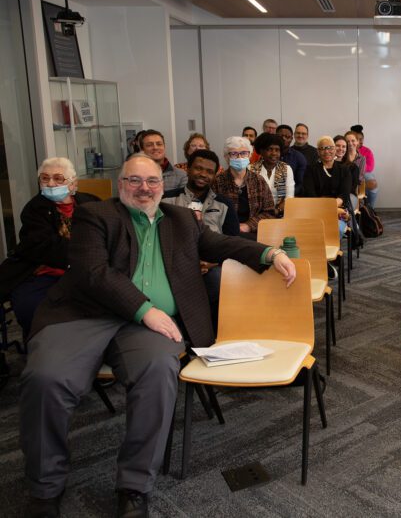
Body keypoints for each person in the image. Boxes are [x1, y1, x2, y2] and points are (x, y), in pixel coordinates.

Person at [20, 154, 296, 518]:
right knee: (46, 379)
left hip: (145, 327)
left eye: (151, 181)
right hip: (84, 315)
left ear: (163, 185)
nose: (144, 188)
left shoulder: (182, 219)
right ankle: (45, 488)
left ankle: (134, 486)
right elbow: (94, 273)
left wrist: (269, 252)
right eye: (133, 181)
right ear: (121, 186)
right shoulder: (97, 216)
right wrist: (144, 309)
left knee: (157, 374)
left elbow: (221, 244)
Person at [0, 158, 99, 339]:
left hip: (87, 270)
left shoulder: (91, 203)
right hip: (45, 271)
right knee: (31, 306)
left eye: (58, 178)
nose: (51, 183)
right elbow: (46, 247)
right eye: (45, 178)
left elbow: (103, 236)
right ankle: (41, 347)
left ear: (72, 183)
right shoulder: (35, 208)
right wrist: (85, 252)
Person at [161, 149, 239, 333]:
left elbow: (233, 244)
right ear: (188, 169)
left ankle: (204, 333)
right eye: (198, 168)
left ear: (215, 174)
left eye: (209, 171)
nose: (203, 174)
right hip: (173, 266)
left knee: (218, 278)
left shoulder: (224, 204)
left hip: (211, 266)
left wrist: (213, 263)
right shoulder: (167, 199)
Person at [212, 136, 275, 238]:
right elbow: (211, 212)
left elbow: (270, 212)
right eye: (234, 154)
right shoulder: (217, 181)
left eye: (243, 153)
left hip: (254, 234)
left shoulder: (259, 181)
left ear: (249, 155)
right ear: (226, 157)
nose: (239, 157)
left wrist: (248, 226)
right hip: (225, 235)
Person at [302, 136, 351, 237]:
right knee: (309, 230)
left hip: (339, 211)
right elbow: (311, 196)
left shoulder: (345, 170)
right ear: (318, 152)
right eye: (322, 148)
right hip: (316, 211)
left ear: (334, 149)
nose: (327, 151)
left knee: (336, 229)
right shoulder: (310, 170)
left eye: (330, 147)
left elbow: (344, 194)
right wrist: (332, 209)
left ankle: (333, 251)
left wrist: (333, 208)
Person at [250, 132, 294, 216]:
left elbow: (289, 198)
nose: (274, 153)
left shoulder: (286, 169)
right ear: (261, 151)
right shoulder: (251, 169)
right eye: (270, 149)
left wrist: (277, 211)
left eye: (277, 150)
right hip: (255, 215)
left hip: (280, 214)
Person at [140, 129, 187, 194]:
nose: (155, 147)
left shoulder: (181, 176)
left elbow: (182, 202)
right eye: (149, 145)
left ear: (164, 147)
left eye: (159, 144)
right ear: (142, 150)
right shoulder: (134, 175)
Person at [276, 124, 308, 195]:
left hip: (292, 197)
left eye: (287, 137)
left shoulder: (299, 157)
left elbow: (301, 184)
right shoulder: (268, 155)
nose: (284, 139)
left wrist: (287, 196)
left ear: (291, 139)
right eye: (281, 136)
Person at [351, 124, 378, 207]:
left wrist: (359, 166)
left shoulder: (367, 151)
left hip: (364, 174)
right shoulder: (346, 149)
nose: (359, 141)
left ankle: (370, 208)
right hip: (350, 173)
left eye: (361, 139)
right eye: (357, 139)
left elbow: (370, 167)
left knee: (372, 181)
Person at [342, 130, 366, 211]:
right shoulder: (341, 156)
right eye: (347, 141)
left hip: (353, 190)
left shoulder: (362, 159)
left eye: (353, 141)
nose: (350, 143)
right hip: (340, 189)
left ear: (357, 142)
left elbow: (360, 178)